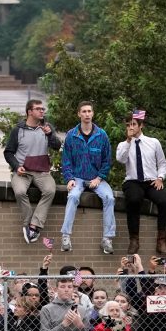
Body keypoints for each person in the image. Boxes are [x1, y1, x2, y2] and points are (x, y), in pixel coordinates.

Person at [59, 101, 115, 254]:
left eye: (89, 111)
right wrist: (69, 178)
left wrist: (99, 178)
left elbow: (107, 160)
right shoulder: (71, 135)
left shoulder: (101, 135)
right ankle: (65, 236)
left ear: (93, 113)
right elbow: (66, 160)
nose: (87, 114)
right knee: (73, 196)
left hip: (97, 178)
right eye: (83, 111)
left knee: (109, 198)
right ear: (79, 114)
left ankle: (107, 238)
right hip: (77, 177)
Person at [4, 99, 62, 244]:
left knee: (50, 190)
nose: (42, 111)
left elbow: (57, 146)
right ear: (29, 112)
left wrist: (50, 135)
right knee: (19, 192)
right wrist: (17, 166)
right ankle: (29, 223)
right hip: (23, 172)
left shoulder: (47, 128)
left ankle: (34, 225)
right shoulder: (18, 130)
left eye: (43, 109)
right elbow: (8, 152)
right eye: (38, 109)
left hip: (42, 172)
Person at [116, 111, 166, 254]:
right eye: (128, 125)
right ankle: (134, 239)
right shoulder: (123, 144)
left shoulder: (153, 142)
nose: (131, 127)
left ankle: (162, 241)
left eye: (134, 124)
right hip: (133, 181)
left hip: (151, 181)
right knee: (134, 199)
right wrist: (128, 141)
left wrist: (160, 177)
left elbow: (163, 163)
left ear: (141, 126)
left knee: (165, 201)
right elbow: (121, 159)